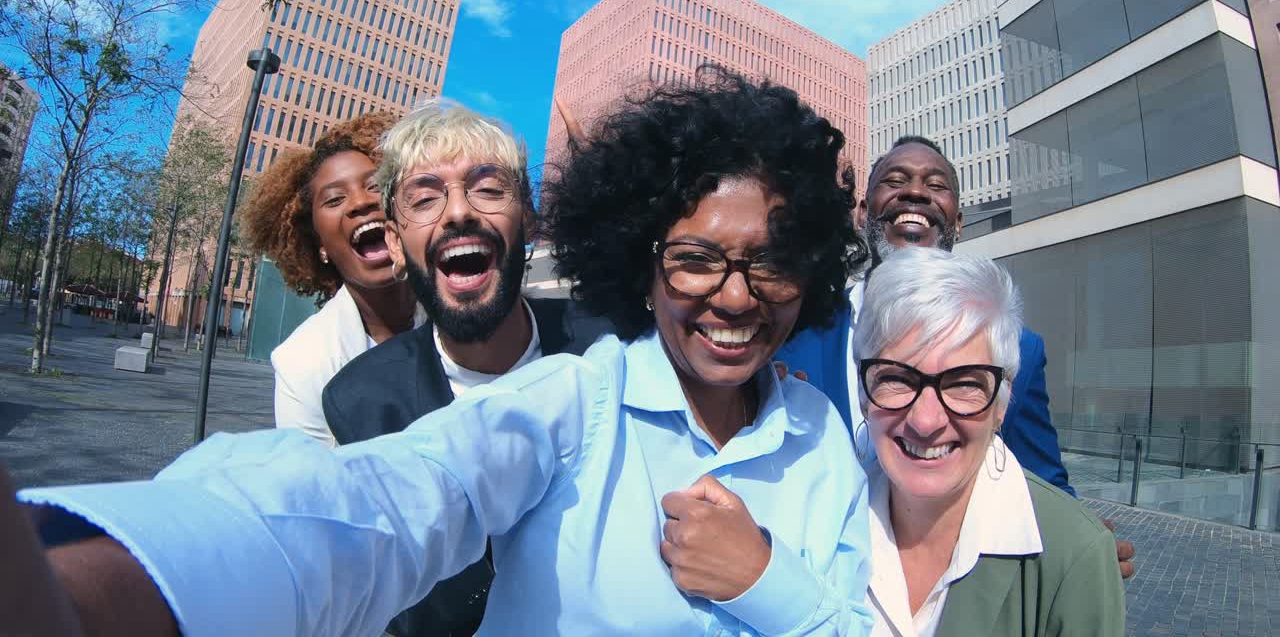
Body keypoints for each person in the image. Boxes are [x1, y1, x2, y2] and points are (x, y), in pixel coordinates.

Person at [8, 67, 876, 636]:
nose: (733, 295)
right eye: (695, 259)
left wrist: (763, 578)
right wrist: (116, 578)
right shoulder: (574, 399)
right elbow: (394, 500)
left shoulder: (821, 433)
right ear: (641, 260)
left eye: (769, 262)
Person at [321, 101, 608, 637]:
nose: (458, 212)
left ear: (529, 218)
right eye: (425, 198)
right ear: (394, 244)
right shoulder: (361, 403)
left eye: (489, 189)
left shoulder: (608, 350)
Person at [778, 136, 1073, 494]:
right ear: (862, 213)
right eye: (895, 181)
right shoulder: (796, 330)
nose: (915, 193)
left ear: (958, 223)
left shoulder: (1018, 351)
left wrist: (1081, 541)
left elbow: (1044, 488)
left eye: (936, 185)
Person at [854, 247, 1124, 635]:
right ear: (865, 394)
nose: (926, 420)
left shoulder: (1074, 555)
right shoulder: (822, 521)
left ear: (1002, 404)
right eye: (897, 378)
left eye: (964, 383)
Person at [241, 111, 419, 445]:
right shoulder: (304, 362)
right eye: (335, 199)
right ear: (319, 245)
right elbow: (315, 485)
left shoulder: (459, 309)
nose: (361, 202)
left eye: (375, 185)